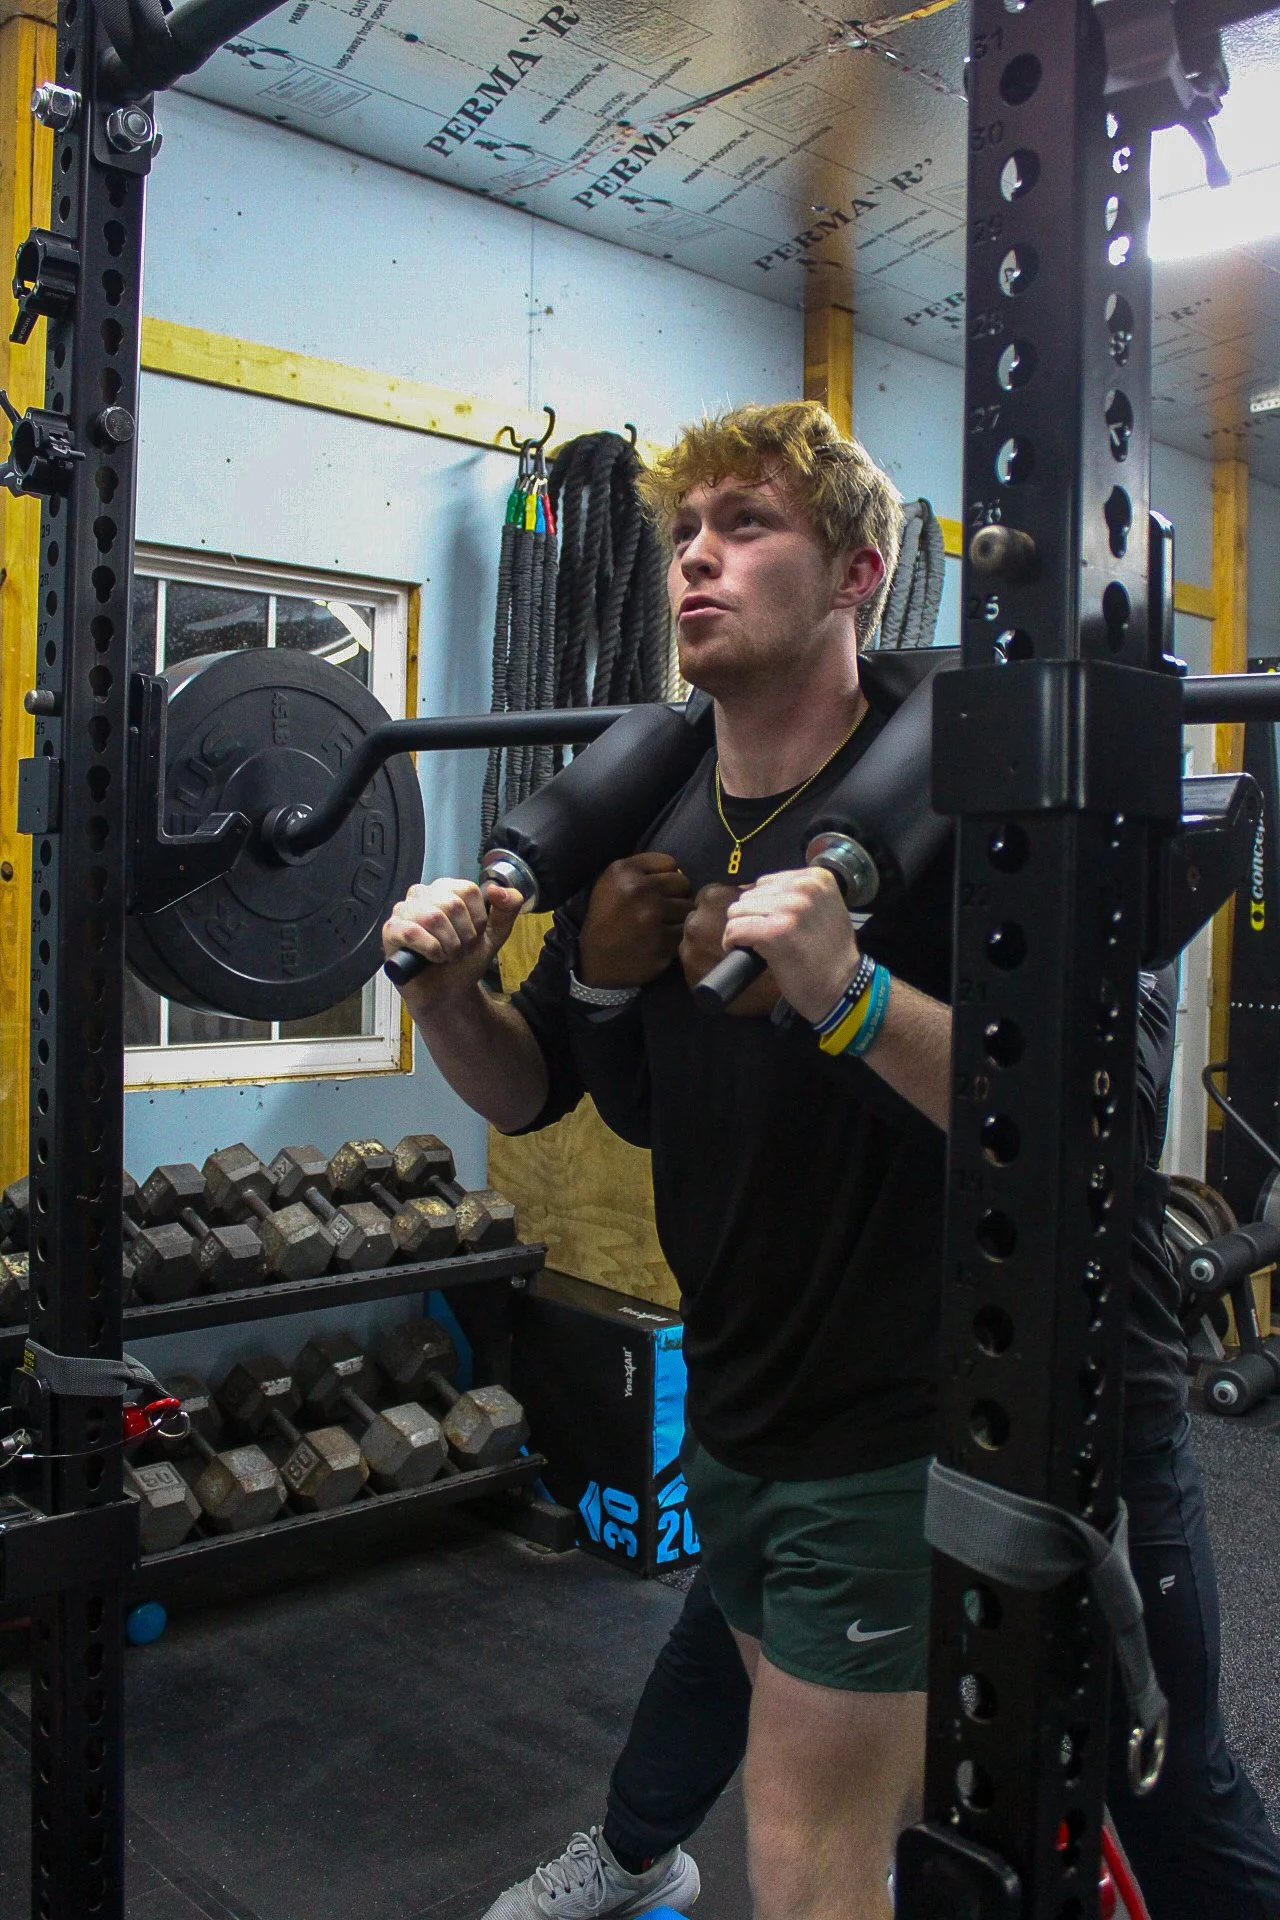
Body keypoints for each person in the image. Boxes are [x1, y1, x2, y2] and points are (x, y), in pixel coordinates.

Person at [382, 402, 1280, 1920]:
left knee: (837, 1843)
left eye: (747, 526)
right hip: (745, 1401)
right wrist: (440, 992)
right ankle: (641, 1848)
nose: (697, 563)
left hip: (928, 1405)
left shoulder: (969, 800)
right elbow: (530, 1093)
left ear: (862, 571)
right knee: (869, 1796)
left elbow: (1082, 1126)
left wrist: (850, 995)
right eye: (684, 535)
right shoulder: (647, 804)